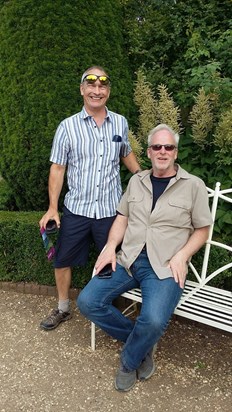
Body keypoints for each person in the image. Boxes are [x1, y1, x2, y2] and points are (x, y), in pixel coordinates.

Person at [77, 123, 213, 392]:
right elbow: (123, 217)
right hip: (128, 260)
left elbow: (202, 229)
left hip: (164, 265)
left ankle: (129, 361)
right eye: (156, 147)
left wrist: (182, 256)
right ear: (149, 152)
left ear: (175, 152)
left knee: (152, 320)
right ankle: (141, 343)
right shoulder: (136, 181)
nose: (162, 151)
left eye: (168, 147)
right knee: (87, 301)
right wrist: (110, 246)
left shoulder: (193, 186)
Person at [39, 65, 141, 331]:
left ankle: (108, 307)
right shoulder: (67, 127)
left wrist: (143, 177)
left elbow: (126, 152)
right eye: (91, 86)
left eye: (102, 86)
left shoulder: (120, 122)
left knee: (117, 261)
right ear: (82, 89)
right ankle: (63, 308)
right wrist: (52, 208)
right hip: (77, 209)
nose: (97, 91)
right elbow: (58, 168)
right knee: (62, 260)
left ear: (108, 91)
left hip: (111, 210)